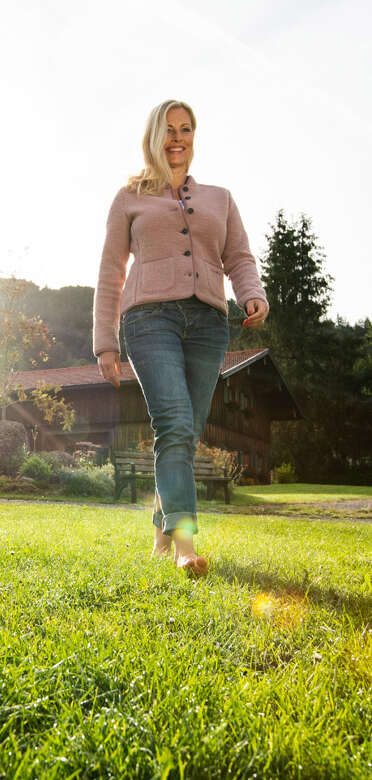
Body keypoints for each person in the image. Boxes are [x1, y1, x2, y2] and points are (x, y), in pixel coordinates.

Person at [92, 99, 269, 577]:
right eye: (168, 129)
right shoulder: (129, 197)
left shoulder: (220, 197)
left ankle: (161, 524)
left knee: (186, 432)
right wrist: (105, 340)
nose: (177, 137)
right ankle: (185, 546)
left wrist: (251, 293)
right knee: (173, 423)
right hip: (149, 320)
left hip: (209, 321)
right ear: (153, 136)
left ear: (194, 136)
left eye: (185, 129)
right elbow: (112, 270)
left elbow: (239, 257)